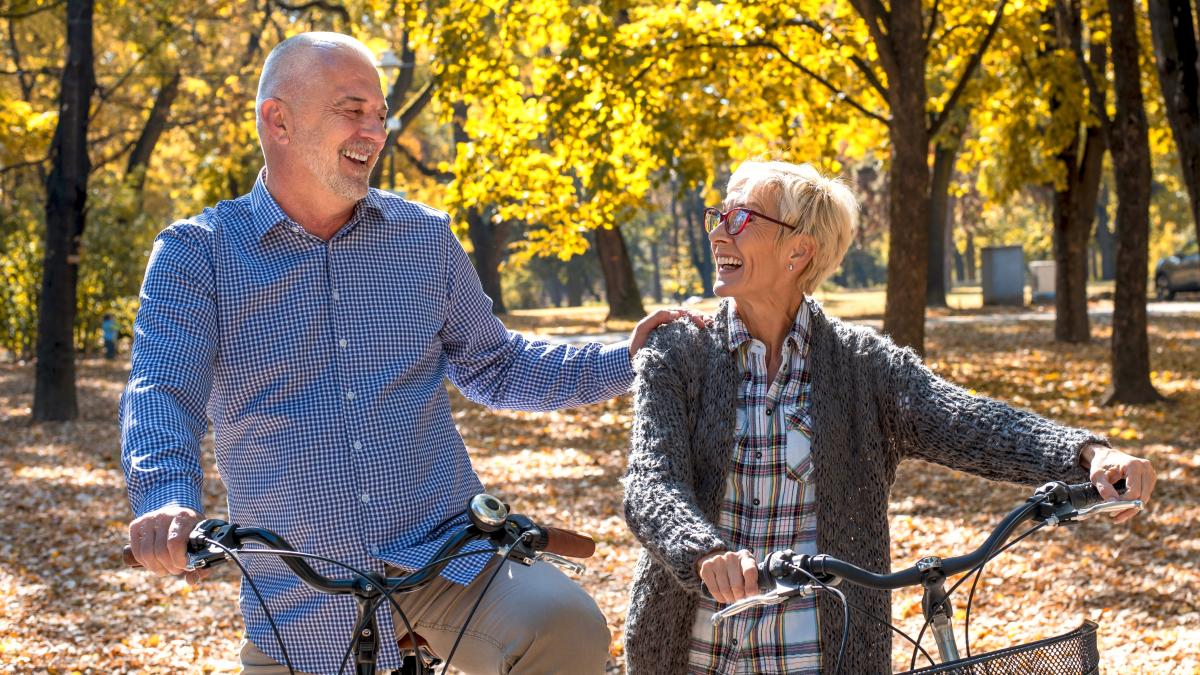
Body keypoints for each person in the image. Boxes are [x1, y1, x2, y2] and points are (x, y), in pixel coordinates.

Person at [120, 32, 695, 675]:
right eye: (352, 109)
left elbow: (496, 365)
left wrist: (630, 355)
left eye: (380, 110)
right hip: (300, 595)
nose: (377, 129)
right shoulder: (197, 253)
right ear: (277, 120)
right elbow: (163, 391)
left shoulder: (423, 238)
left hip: (449, 559)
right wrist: (165, 497)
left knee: (565, 625)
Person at [620, 160, 1157, 674]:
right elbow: (651, 483)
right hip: (692, 651)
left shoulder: (862, 366)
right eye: (719, 217)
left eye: (741, 219)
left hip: (821, 653)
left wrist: (1086, 454)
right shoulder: (680, 350)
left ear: (798, 251)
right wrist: (705, 553)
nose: (718, 234)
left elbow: (965, 420)